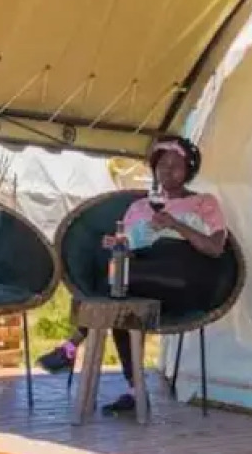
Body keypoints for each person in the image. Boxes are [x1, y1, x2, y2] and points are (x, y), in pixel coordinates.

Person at [36, 135, 228, 415]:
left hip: (188, 281)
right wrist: (118, 245)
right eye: (162, 165)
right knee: (119, 304)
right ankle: (135, 391)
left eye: (175, 165)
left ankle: (72, 345)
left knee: (116, 291)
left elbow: (215, 248)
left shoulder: (203, 203)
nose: (168, 171)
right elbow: (129, 248)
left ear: (189, 170)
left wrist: (175, 225)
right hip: (146, 279)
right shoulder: (139, 207)